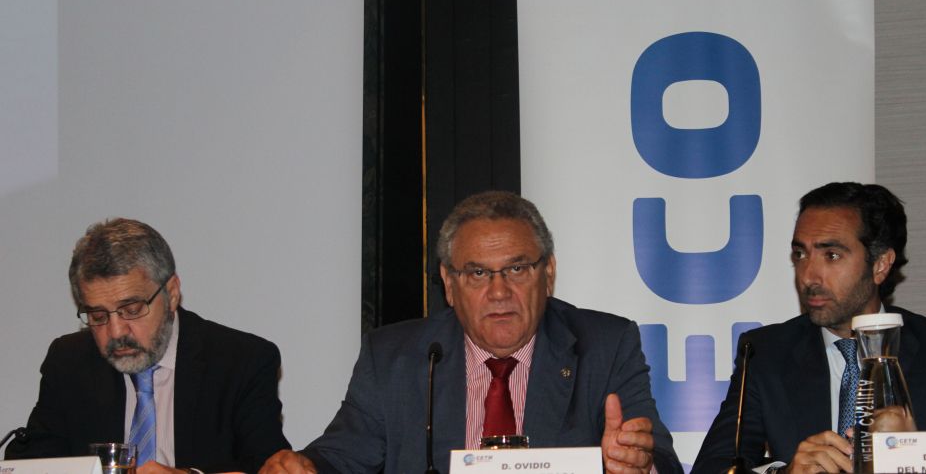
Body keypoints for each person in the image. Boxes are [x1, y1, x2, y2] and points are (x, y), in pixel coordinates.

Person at [260, 191, 682, 474]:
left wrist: (639, 464)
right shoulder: (393, 358)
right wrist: (303, 467)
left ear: (548, 273)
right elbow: (340, 458)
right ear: (449, 283)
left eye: (517, 268)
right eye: (477, 273)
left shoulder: (604, 346)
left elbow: (660, 458)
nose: (499, 292)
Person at [693, 182, 926, 474]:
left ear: (880, 264)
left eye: (832, 255)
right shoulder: (766, 352)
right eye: (800, 254)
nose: (808, 276)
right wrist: (784, 472)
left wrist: (911, 454)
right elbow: (712, 467)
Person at [4, 218, 290, 473]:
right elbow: (35, 462)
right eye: (98, 316)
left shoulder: (241, 361)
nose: (116, 332)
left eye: (132, 309)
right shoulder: (69, 362)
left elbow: (267, 466)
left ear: (172, 294)